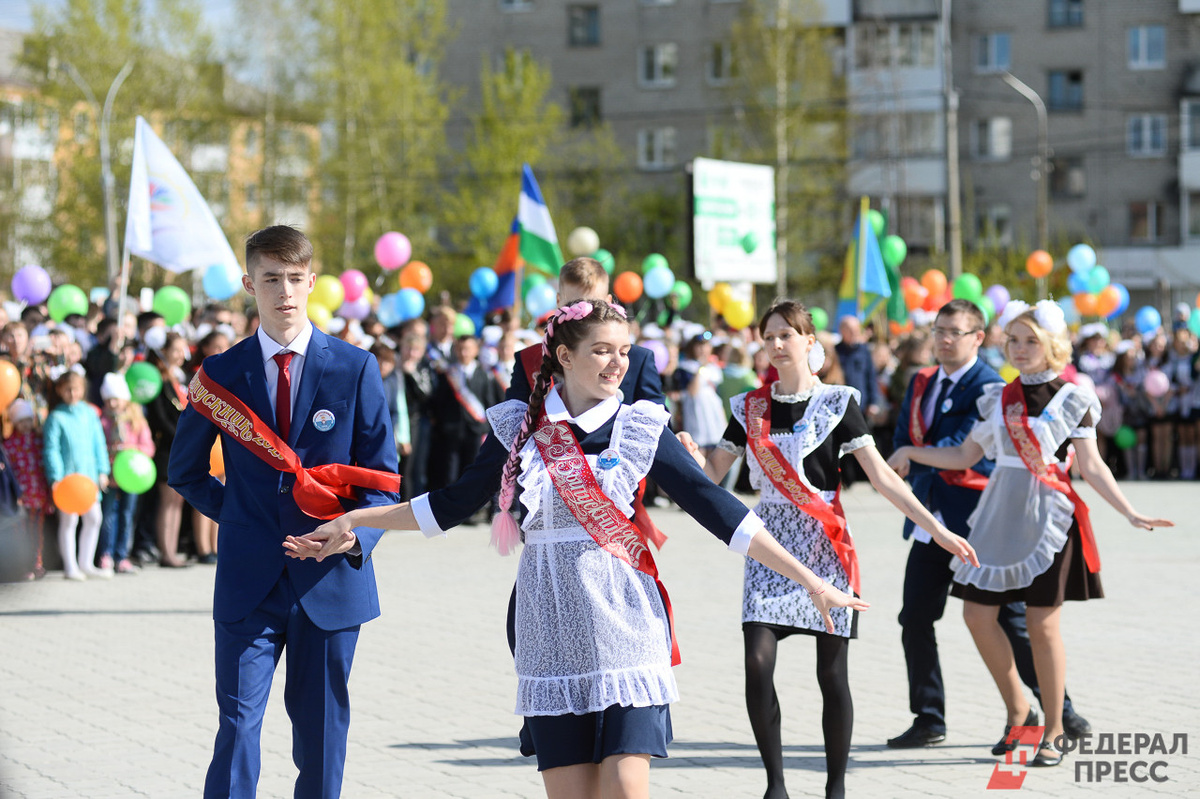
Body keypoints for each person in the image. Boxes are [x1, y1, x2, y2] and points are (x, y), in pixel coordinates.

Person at [283, 299, 871, 799]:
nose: (618, 363)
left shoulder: (642, 426)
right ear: (563, 356)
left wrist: (810, 580)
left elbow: (719, 512)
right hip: (552, 624)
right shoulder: (520, 428)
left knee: (625, 785)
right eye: (601, 350)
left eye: (625, 351)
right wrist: (358, 519)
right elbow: (453, 502)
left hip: (626, 621)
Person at [695, 300, 977, 799]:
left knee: (832, 673)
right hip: (768, 541)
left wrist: (937, 529)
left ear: (809, 342)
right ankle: (775, 785)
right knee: (757, 662)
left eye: (787, 334)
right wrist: (688, 455)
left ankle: (835, 786)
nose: (777, 344)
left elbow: (884, 479)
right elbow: (712, 473)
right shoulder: (748, 407)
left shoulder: (838, 402)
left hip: (825, 544)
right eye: (769, 336)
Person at [167, 225, 401, 799]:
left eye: (295, 278)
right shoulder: (221, 375)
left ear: (313, 282)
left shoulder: (354, 367)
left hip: (330, 577)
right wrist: (243, 518)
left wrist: (351, 539)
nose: (285, 292)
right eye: (271, 278)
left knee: (321, 735)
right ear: (249, 284)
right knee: (238, 726)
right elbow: (186, 471)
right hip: (251, 579)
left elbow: (384, 482)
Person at [889, 300, 1173, 767]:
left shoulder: (1072, 398)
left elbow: (1092, 466)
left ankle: (1056, 730)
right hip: (998, 513)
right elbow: (963, 456)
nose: (1020, 349)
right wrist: (910, 453)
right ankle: (1019, 708)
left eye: (1031, 341)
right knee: (977, 617)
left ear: (1052, 345)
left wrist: (1130, 512)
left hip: (1047, 517)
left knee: (1042, 626)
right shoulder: (999, 397)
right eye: (1014, 340)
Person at [886, 299, 1089, 752]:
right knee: (916, 616)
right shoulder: (921, 381)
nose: (943, 339)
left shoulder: (993, 387)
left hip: (982, 521)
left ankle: (1058, 712)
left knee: (1017, 622)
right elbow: (906, 437)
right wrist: (905, 459)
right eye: (938, 330)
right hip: (931, 519)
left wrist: (916, 456)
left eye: (954, 331)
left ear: (978, 337)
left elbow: (964, 450)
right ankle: (929, 717)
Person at [43, 370, 111, 580]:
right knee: (69, 522)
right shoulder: (56, 417)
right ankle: (70, 566)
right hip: (68, 480)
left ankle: (86, 562)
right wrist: (56, 477)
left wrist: (103, 470)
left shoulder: (89, 413)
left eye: (76, 389)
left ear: (83, 390)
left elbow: (98, 443)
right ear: (61, 391)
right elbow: (51, 449)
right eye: (68, 389)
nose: (73, 393)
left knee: (94, 518)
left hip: (89, 478)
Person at [427, 333, 502, 492]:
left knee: (473, 468)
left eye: (467, 349)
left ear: (475, 350)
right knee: (450, 471)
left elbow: (489, 402)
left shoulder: (484, 374)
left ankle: (472, 510)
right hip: (452, 430)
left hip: (475, 430)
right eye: (460, 349)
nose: (463, 353)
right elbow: (439, 402)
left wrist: (486, 426)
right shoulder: (449, 374)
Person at [97, 372, 154, 575]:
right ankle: (106, 554)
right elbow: (98, 446)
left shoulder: (136, 421)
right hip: (110, 477)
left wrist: (134, 455)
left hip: (131, 476)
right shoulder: (102, 421)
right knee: (108, 515)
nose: (112, 403)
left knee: (127, 515)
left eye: (116, 398)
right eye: (108, 399)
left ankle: (122, 555)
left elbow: (148, 446)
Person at [145, 331, 192, 568]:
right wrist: (184, 436)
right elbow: (160, 418)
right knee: (168, 501)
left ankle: (172, 551)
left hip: (181, 448)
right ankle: (166, 552)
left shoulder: (180, 380)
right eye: (175, 350)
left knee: (178, 502)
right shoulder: (159, 381)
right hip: (167, 447)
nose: (180, 355)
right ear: (163, 352)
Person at [5, 398, 51, 579]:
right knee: (20, 532)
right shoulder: (9, 445)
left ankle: (36, 563)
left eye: (28, 420)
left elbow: (43, 468)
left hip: (38, 495)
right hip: (20, 497)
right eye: (21, 421)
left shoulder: (39, 442)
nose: (25, 425)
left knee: (36, 532)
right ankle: (22, 566)